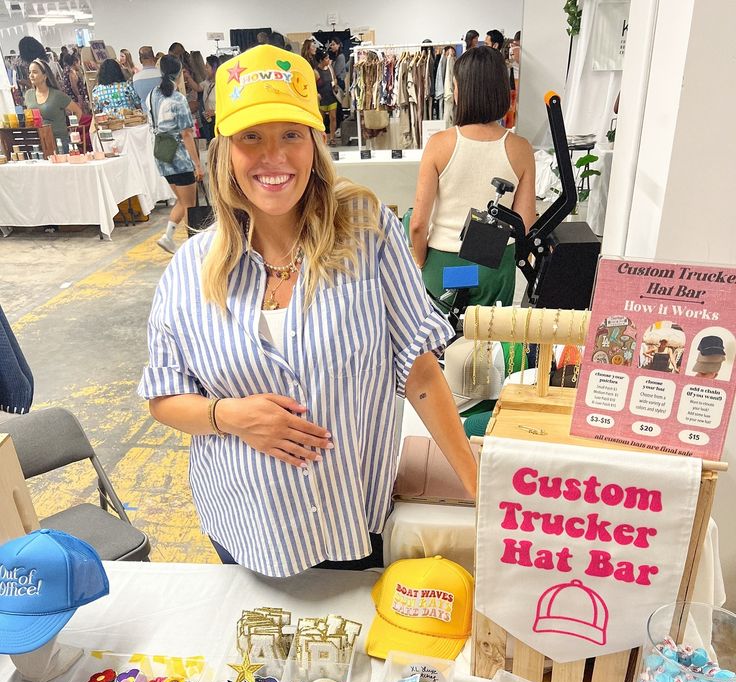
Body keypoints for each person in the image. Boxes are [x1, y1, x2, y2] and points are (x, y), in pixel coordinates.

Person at [138, 44, 476, 576]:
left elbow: (422, 375)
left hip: (350, 521)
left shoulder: (367, 233)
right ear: (224, 149)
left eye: (291, 135)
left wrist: (479, 488)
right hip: (243, 525)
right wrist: (227, 416)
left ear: (315, 143)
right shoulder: (189, 270)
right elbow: (162, 395)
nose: (273, 157)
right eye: (251, 136)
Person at [410, 45, 535, 312]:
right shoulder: (521, 148)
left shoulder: (439, 144)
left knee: (443, 346)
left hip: (446, 266)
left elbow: (419, 224)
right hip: (496, 267)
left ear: (459, 90)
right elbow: (524, 224)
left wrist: (421, 262)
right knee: (490, 346)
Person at [149, 54, 203, 254]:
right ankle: (193, 246)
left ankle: (168, 236)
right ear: (179, 73)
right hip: (179, 156)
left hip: (162, 154)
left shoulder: (152, 95)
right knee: (190, 204)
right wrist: (197, 164)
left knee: (182, 200)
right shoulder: (178, 98)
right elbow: (187, 134)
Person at [24, 58, 82, 151]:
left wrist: (72, 130)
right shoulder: (28, 95)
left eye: (35, 72)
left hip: (60, 141)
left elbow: (78, 111)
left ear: (45, 76)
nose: (31, 75)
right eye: (30, 72)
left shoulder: (57, 95)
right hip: (39, 142)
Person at [168, 42, 202, 114]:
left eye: (171, 56)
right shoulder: (187, 68)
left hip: (188, 102)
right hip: (188, 102)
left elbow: (190, 88)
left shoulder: (184, 70)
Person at [314, 48, 339, 146]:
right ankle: (321, 138)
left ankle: (332, 138)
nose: (328, 60)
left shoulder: (330, 68)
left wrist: (335, 84)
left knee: (333, 117)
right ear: (321, 60)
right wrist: (317, 94)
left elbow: (334, 78)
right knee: (321, 120)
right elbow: (312, 85)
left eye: (328, 58)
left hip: (332, 95)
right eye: (326, 58)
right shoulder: (315, 72)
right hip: (322, 98)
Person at [59, 46, 90, 115]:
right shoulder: (72, 72)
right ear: (75, 62)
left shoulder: (66, 70)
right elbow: (73, 86)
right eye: (79, 62)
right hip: (75, 99)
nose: (79, 65)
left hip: (70, 98)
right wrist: (79, 96)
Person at [133, 46, 161, 113]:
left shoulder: (135, 78)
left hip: (147, 114)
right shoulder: (163, 74)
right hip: (163, 112)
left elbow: (137, 97)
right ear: (154, 58)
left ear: (140, 60)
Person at [200, 54, 218, 144]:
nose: (205, 70)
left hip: (218, 119)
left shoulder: (221, 84)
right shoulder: (208, 82)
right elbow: (198, 88)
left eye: (207, 67)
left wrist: (215, 112)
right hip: (210, 119)